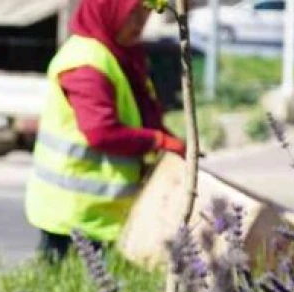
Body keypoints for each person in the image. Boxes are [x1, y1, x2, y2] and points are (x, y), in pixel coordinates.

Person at [25, 0, 187, 262]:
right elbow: (101, 132)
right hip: (76, 213)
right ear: (107, 10)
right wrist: (158, 141)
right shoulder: (87, 63)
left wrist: (166, 140)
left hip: (103, 214)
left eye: (144, 13)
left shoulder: (120, 54)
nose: (139, 24)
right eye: (131, 15)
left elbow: (138, 115)